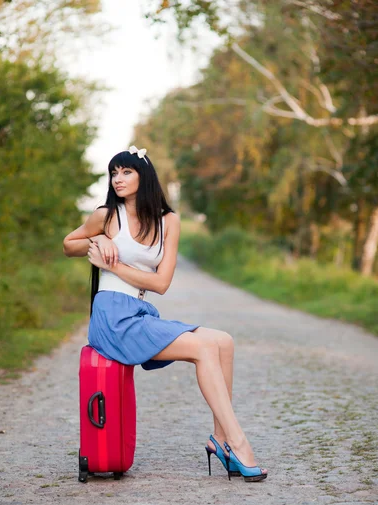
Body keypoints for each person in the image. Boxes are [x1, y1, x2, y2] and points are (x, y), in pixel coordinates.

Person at [63, 145, 267, 482]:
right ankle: (240, 443)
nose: (118, 179)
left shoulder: (168, 221)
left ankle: (220, 440)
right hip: (111, 317)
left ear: (145, 177)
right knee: (203, 348)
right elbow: (68, 243)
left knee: (224, 342)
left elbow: (161, 283)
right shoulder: (106, 216)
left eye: (126, 171)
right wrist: (96, 244)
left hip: (141, 310)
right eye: (114, 172)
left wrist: (119, 264)